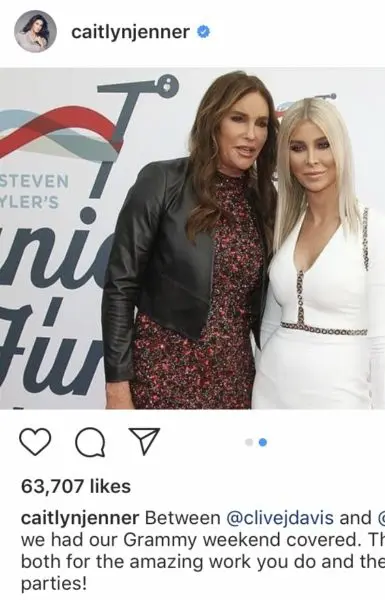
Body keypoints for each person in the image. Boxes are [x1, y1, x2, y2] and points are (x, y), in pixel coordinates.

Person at [102, 71, 278, 409]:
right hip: (161, 378)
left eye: (262, 123)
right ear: (213, 120)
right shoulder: (163, 181)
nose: (251, 134)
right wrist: (117, 388)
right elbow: (120, 287)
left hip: (235, 383)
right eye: (238, 118)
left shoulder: (266, 201)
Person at [252, 97, 385, 409]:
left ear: (341, 149)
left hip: (340, 398)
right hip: (270, 393)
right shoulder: (285, 226)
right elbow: (268, 326)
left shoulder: (376, 230)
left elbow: (384, 345)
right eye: (298, 148)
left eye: (323, 145)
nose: (311, 159)